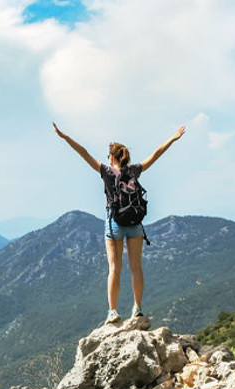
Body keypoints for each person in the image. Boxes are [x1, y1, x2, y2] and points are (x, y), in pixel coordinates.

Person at [53, 122, 185, 324]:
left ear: (112, 157)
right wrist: (173, 139)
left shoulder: (106, 171)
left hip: (115, 224)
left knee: (115, 268)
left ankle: (113, 312)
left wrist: (64, 137)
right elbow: (156, 154)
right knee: (136, 268)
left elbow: (84, 153)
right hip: (135, 224)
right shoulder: (134, 171)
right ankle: (138, 309)